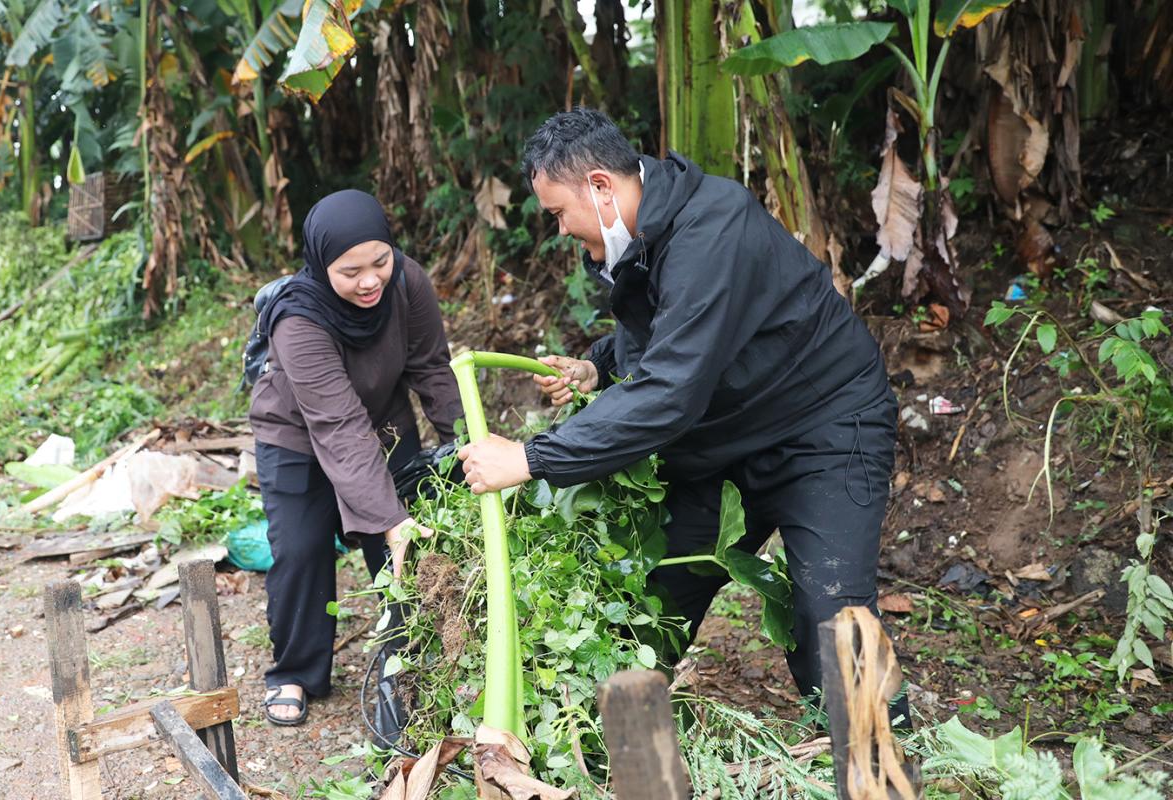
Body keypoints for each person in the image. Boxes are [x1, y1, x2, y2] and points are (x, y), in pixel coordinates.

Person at [457, 109, 911, 726]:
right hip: (724, 441)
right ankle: (602, 751)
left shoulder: (712, 226)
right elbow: (662, 341)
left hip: (824, 427)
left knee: (832, 616)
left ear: (599, 186)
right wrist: (598, 368)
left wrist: (531, 458)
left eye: (558, 212)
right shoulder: (638, 235)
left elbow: (671, 388)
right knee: (650, 599)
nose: (559, 229)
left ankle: (873, 773)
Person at [249, 189, 462, 725]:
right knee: (300, 550)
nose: (370, 281)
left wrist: (470, 444)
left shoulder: (407, 282)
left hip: (384, 422)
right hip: (297, 433)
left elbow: (433, 367)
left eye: (380, 262)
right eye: (351, 271)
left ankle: (406, 666)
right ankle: (294, 672)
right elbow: (339, 428)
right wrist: (386, 517)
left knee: (406, 551)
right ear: (322, 266)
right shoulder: (297, 320)